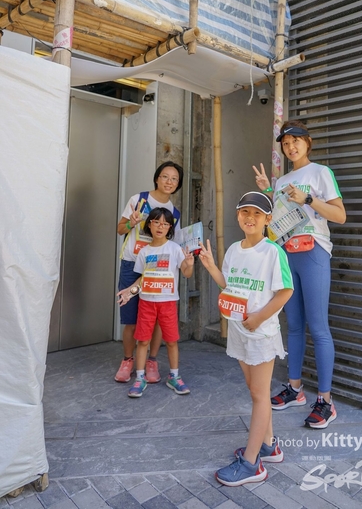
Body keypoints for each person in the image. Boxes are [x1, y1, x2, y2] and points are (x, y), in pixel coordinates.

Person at [253, 119, 346, 430]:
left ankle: (326, 401)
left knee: (318, 327)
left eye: (296, 141)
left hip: (314, 251)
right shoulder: (282, 180)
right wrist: (269, 191)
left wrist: (307, 198)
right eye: (285, 143)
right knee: (293, 325)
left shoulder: (321, 172)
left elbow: (340, 215)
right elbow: (282, 218)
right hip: (286, 253)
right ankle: (295, 389)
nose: (290, 146)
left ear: (307, 142)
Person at [199, 192, 293, 486]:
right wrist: (212, 267)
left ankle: (252, 464)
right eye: (245, 212)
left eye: (257, 213)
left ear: (268, 219)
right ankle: (269, 446)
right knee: (255, 391)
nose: (250, 218)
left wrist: (259, 317)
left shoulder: (273, 252)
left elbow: (286, 291)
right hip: (239, 332)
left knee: (259, 396)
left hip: (261, 334)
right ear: (238, 215)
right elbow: (229, 286)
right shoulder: (233, 251)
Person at [115, 161, 183, 384]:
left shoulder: (174, 213)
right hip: (131, 263)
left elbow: (175, 243)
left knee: (156, 319)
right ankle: (128, 360)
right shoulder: (139, 199)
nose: (169, 182)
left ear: (178, 184)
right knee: (131, 319)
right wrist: (132, 223)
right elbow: (120, 229)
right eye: (165, 176)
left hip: (158, 268)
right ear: (156, 178)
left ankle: (151, 360)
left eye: (174, 179)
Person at [117, 207, 194, 396]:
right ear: (149, 225)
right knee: (143, 340)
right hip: (146, 303)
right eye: (156, 222)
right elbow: (142, 278)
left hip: (168, 303)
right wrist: (129, 292)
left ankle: (174, 376)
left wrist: (190, 264)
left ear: (170, 228)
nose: (160, 226)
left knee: (172, 341)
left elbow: (186, 273)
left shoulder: (175, 249)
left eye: (165, 223)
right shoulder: (144, 252)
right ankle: (140, 378)